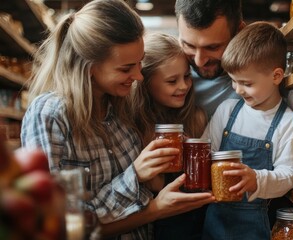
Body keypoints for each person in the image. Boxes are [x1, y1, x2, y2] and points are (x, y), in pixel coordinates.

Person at [20, 0, 214, 239]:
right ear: (89, 67)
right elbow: (63, 225)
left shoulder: (120, 109)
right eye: (125, 69)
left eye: (140, 62)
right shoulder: (52, 115)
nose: (138, 76)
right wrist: (139, 181)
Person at [201, 22, 293, 240]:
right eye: (233, 81)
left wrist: (257, 179)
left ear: (276, 76)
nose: (237, 90)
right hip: (215, 222)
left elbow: (291, 173)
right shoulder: (227, 111)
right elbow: (206, 152)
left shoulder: (287, 122)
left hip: (255, 228)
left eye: (246, 83)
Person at [130, 32, 208, 240]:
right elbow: (155, 185)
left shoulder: (196, 118)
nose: (183, 86)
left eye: (186, 77)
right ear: (144, 82)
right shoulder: (135, 124)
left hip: (198, 226)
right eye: (172, 81)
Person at [175, 0, 245, 118]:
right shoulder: (163, 73)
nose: (199, 61)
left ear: (239, 32)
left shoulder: (265, 76)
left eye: (212, 47)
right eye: (189, 45)